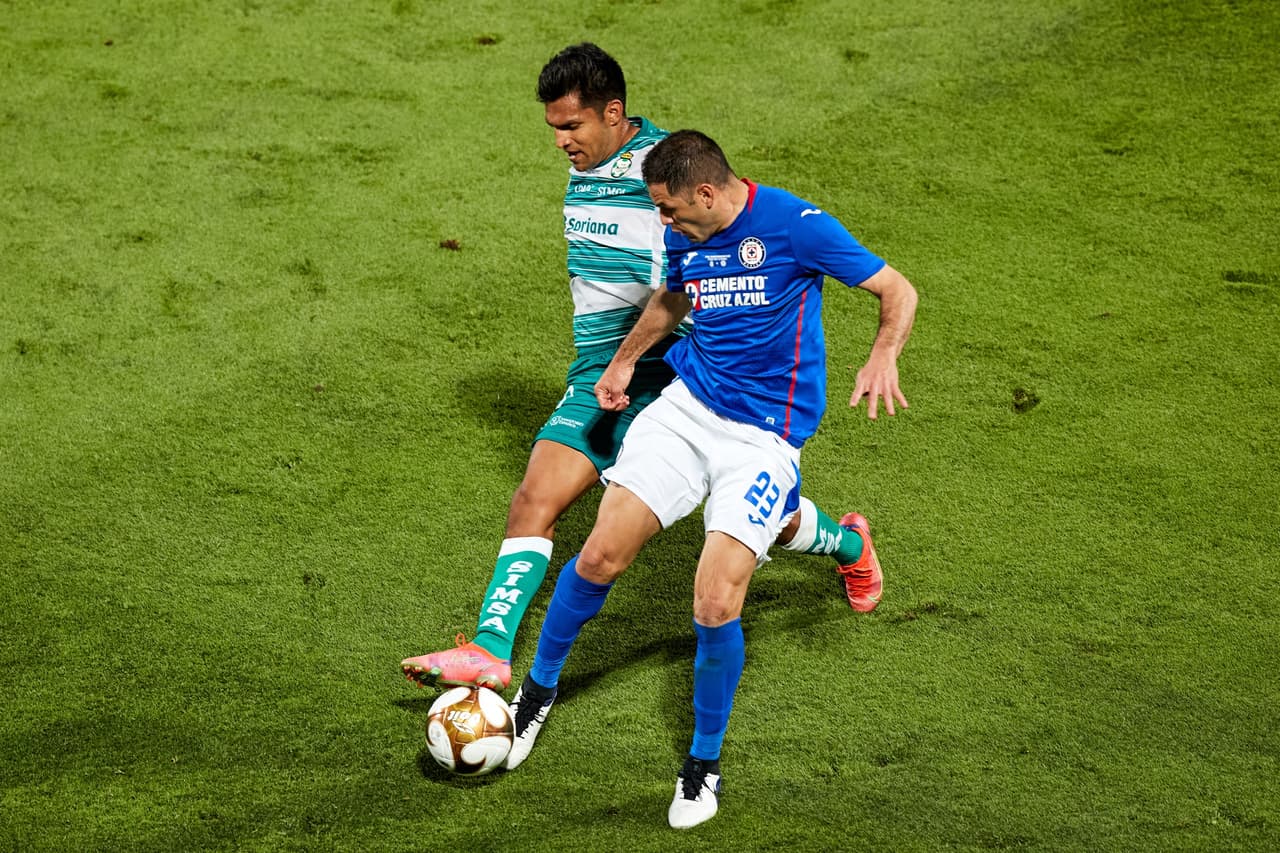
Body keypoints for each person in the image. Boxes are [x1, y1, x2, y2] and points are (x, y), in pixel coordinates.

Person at [400, 44, 883, 695]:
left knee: (768, 514)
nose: (562, 142)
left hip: (684, 379)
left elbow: (716, 246)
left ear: (614, 113)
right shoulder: (588, 170)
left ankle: (849, 548)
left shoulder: (661, 178)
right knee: (535, 498)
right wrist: (615, 361)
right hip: (604, 371)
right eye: (554, 129)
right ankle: (490, 648)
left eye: (572, 126)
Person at [501, 129, 918, 829]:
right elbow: (674, 297)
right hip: (688, 411)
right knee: (601, 552)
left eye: (667, 211)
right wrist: (626, 361)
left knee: (716, 597)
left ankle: (702, 764)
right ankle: (533, 698)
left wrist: (882, 355)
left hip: (764, 438)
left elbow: (895, 288)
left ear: (705, 192)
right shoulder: (684, 234)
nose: (662, 223)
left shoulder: (795, 225)